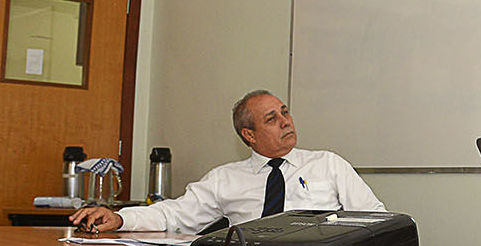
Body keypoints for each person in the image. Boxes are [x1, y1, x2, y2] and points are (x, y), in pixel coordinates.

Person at [70, 90, 385, 234]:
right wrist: (121, 219)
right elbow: (175, 214)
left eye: (285, 112)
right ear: (249, 135)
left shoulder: (327, 164)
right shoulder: (225, 178)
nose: (286, 122)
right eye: (272, 118)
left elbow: (376, 218)